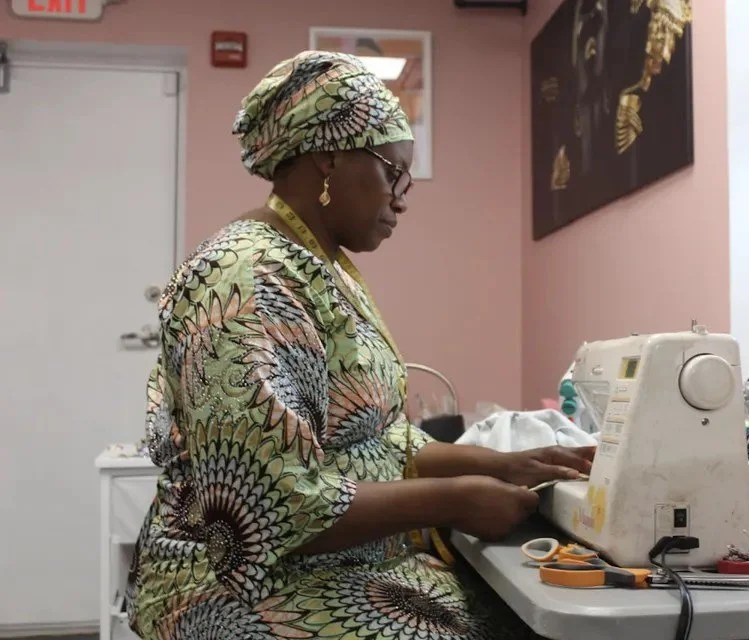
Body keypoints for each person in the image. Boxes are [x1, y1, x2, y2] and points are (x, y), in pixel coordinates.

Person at [126, 51, 595, 640]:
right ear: (328, 156)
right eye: (393, 172)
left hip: (332, 564)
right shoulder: (244, 278)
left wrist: (503, 465)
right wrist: (452, 500)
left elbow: (380, 439)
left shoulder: (323, 268)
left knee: (515, 612)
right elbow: (269, 505)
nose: (403, 197)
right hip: (239, 586)